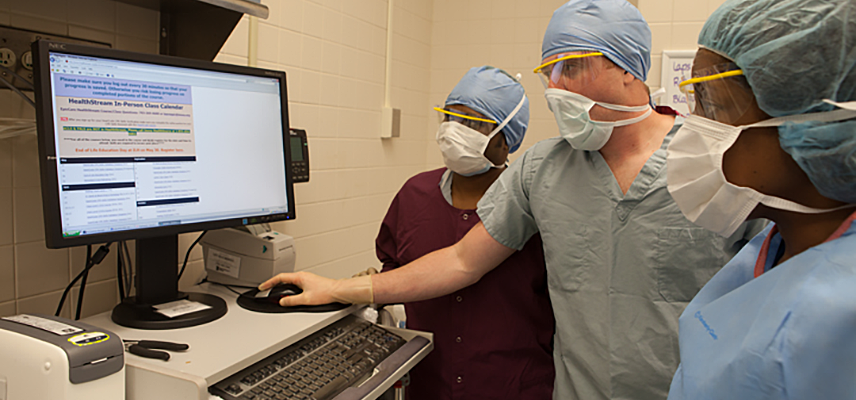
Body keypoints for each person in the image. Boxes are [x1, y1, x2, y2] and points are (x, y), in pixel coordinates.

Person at [261, 1, 764, 398]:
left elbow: (770, 299)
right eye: (549, 71)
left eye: (571, 67)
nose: (555, 87)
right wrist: (340, 289)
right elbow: (461, 261)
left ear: (630, 69)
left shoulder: (721, 160)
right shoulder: (543, 168)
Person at [665, 1, 856, 399]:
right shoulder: (773, 247)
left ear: (817, 125)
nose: (693, 125)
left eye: (712, 105)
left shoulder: (841, 317)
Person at [372, 66, 554, 399]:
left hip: (512, 387)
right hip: (429, 384)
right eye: (450, 118)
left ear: (506, 139)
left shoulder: (532, 205)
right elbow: (394, 272)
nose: (455, 132)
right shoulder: (415, 195)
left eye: (471, 123)